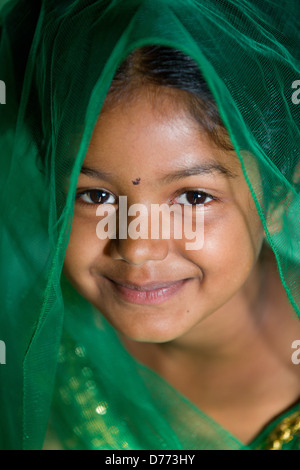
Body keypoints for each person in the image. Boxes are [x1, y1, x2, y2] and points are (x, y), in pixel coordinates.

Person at [0, 0, 299, 451]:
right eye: (95, 196)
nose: (137, 247)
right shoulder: (40, 365)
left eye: (194, 197)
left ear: (278, 194)